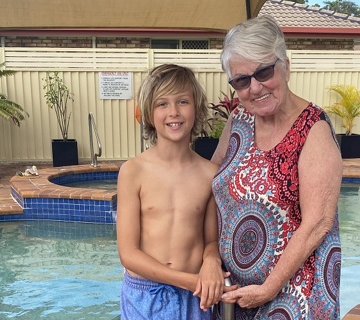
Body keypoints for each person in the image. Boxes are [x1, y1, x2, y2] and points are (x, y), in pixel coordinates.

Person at [211, 15, 343, 319]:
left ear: (285, 65)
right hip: (238, 292)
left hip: (293, 296)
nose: (255, 88)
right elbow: (210, 176)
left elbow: (317, 224)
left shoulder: (313, 129)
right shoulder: (239, 120)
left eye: (264, 72)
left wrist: (269, 288)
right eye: (242, 81)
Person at [116, 64, 225, 319]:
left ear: (196, 108)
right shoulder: (133, 172)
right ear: (149, 113)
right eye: (162, 104)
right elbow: (128, 254)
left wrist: (211, 261)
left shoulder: (210, 174)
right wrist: (188, 280)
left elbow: (210, 239)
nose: (173, 112)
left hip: (195, 298)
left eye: (182, 101)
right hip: (145, 296)